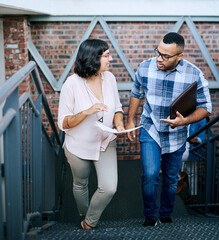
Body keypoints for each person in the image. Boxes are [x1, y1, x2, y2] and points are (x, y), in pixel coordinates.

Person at [126, 32, 212, 226]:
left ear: (179, 57)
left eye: (165, 56)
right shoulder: (145, 67)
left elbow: (207, 107)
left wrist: (185, 121)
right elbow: (136, 93)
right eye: (158, 52)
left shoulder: (194, 73)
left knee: (171, 179)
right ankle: (150, 215)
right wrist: (130, 120)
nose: (159, 58)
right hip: (151, 128)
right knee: (150, 174)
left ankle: (165, 214)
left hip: (177, 134)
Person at [58, 39, 125, 229]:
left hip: (105, 141)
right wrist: (87, 111)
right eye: (106, 56)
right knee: (80, 183)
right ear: (93, 58)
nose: (110, 59)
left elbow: (118, 109)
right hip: (78, 144)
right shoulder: (71, 84)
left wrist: (119, 124)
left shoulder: (110, 78)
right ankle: (84, 214)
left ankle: (89, 221)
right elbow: (63, 122)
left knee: (109, 187)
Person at [177, 118, 207, 204]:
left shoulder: (201, 118)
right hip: (180, 146)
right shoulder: (183, 113)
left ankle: (192, 196)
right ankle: (181, 178)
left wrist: (196, 139)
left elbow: (202, 138)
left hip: (192, 148)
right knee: (191, 172)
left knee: (192, 172)